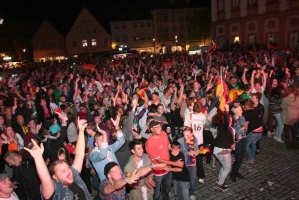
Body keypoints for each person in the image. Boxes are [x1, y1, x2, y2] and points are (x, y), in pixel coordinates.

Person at [24, 117, 93, 200]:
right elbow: (45, 180)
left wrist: (81, 130)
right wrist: (38, 158)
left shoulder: (74, 176)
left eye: (67, 168)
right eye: (63, 171)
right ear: (55, 177)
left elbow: (79, 155)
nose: (68, 171)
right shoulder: (56, 191)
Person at [145, 120, 184, 200]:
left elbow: (168, 146)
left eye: (160, 126)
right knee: (156, 193)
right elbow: (159, 160)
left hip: (168, 168)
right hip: (158, 171)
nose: (160, 128)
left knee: (167, 188)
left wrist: (174, 150)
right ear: (151, 129)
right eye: (158, 127)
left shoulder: (163, 133)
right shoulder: (149, 143)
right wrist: (175, 163)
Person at [212, 105, 234, 190]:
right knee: (227, 168)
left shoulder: (223, 127)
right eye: (229, 118)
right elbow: (227, 122)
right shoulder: (223, 127)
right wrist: (227, 110)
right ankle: (220, 184)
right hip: (222, 150)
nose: (231, 119)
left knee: (224, 167)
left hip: (221, 149)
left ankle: (219, 179)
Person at [177, 127, 198, 200]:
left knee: (192, 181)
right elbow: (178, 153)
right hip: (184, 166)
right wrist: (188, 153)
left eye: (188, 135)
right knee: (184, 183)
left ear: (192, 134)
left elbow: (197, 150)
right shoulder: (179, 141)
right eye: (184, 135)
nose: (186, 137)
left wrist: (196, 153)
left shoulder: (195, 140)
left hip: (193, 164)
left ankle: (191, 193)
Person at [230, 105, 248, 182]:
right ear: (236, 111)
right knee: (238, 158)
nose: (242, 111)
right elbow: (234, 132)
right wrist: (243, 128)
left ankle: (236, 172)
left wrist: (246, 127)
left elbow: (246, 130)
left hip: (244, 139)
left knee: (240, 158)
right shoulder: (232, 120)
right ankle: (232, 173)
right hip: (237, 141)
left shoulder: (242, 118)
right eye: (240, 110)